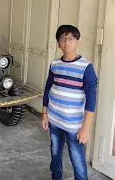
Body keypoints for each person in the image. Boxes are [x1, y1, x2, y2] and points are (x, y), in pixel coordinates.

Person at [42, 25, 98, 180]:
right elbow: (48, 89)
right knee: (55, 153)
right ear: (58, 43)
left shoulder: (86, 67)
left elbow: (92, 98)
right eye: (62, 39)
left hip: (74, 125)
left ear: (77, 41)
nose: (66, 42)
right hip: (54, 119)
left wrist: (85, 127)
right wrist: (45, 114)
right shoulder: (54, 64)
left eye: (70, 39)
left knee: (78, 160)